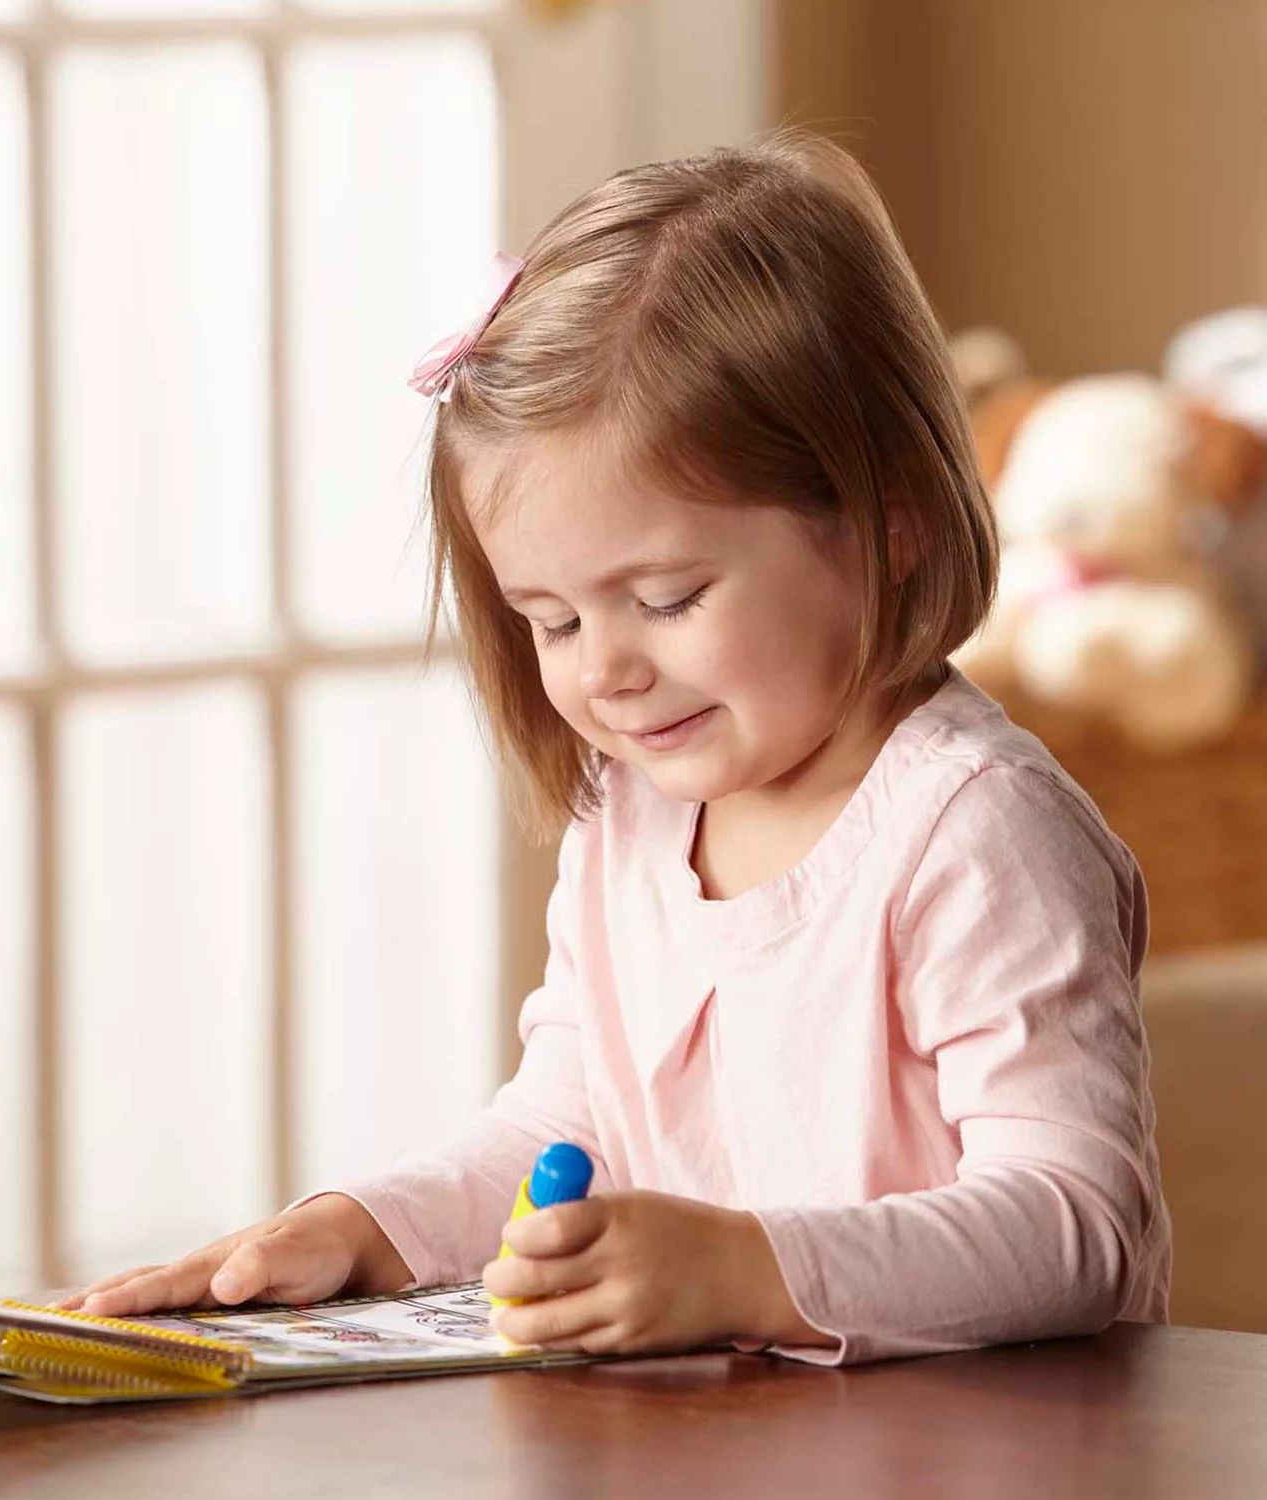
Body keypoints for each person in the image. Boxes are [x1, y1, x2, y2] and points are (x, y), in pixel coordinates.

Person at [62, 130, 1171, 1365]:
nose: (604, 669)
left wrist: (749, 1271)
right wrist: (361, 1228)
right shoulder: (630, 813)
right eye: (552, 618)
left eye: (667, 598)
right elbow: (559, 1127)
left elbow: (1078, 1225)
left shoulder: (975, 830)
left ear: (887, 527)